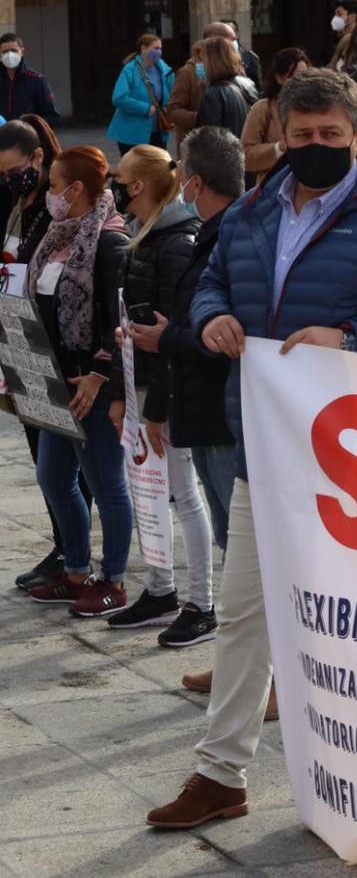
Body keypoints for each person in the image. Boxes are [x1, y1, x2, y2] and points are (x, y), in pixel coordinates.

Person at [146, 68, 357, 830]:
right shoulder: (255, 209)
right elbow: (216, 279)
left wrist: (349, 338)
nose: (315, 147)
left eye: (330, 136)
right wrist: (217, 317)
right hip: (271, 438)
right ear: (278, 139)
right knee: (244, 613)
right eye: (301, 136)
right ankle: (220, 772)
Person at [106, 144, 215, 642]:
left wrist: (154, 404)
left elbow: (172, 329)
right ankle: (160, 588)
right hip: (141, 380)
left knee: (184, 494)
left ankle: (202, 602)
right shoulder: (143, 234)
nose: (116, 186)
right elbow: (131, 320)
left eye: (123, 178)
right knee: (150, 492)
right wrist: (122, 392)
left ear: (141, 185)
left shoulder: (177, 241)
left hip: (166, 388)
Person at [23, 147, 134, 618]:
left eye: (53, 186)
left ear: (76, 190)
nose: (48, 194)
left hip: (93, 384)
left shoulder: (109, 242)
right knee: (53, 476)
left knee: (105, 482)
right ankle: (74, 569)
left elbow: (117, 317)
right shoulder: (55, 234)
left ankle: (114, 579)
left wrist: (98, 376)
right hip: (54, 379)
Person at [5, 118, 95, 594]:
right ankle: (63, 543)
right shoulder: (18, 200)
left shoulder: (55, 206)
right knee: (39, 449)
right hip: (17, 332)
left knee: (58, 460)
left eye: (14, 169)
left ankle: (72, 550)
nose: (8, 178)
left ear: (37, 158)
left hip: (48, 340)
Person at [147, 126, 243, 561]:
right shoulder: (213, 232)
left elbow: (223, 340)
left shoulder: (232, 239)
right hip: (204, 412)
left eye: (183, 173)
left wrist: (165, 337)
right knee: (230, 541)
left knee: (241, 545)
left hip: (224, 415)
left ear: (197, 182)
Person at [239, 48, 310, 179]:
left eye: (305, 76)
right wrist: (278, 148)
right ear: (279, 78)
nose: (302, 81)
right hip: (272, 189)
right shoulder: (263, 109)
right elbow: (245, 156)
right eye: (295, 76)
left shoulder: (314, 109)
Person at [109, 35, 174, 154]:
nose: (159, 51)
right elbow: (119, 98)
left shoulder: (164, 68)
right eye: (156, 48)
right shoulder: (130, 69)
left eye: (160, 48)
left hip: (158, 130)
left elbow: (174, 91)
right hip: (132, 133)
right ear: (143, 48)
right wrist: (145, 109)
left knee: (159, 168)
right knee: (135, 170)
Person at [194, 37, 257, 138]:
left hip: (223, 152)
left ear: (212, 61)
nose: (200, 64)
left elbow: (209, 139)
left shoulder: (214, 94)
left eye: (203, 59)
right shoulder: (245, 84)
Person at [0, 32, 61, 125]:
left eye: (14, 50)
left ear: (22, 52)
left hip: (28, 138)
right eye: (5, 51)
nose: (9, 55)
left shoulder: (37, 81)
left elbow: (52, 116)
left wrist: (29, 129)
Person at [164, 41, 207, 156]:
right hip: (193, 142)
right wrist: (200, 118)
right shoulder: (188, 72)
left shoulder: (223, 70)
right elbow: (173, 109)